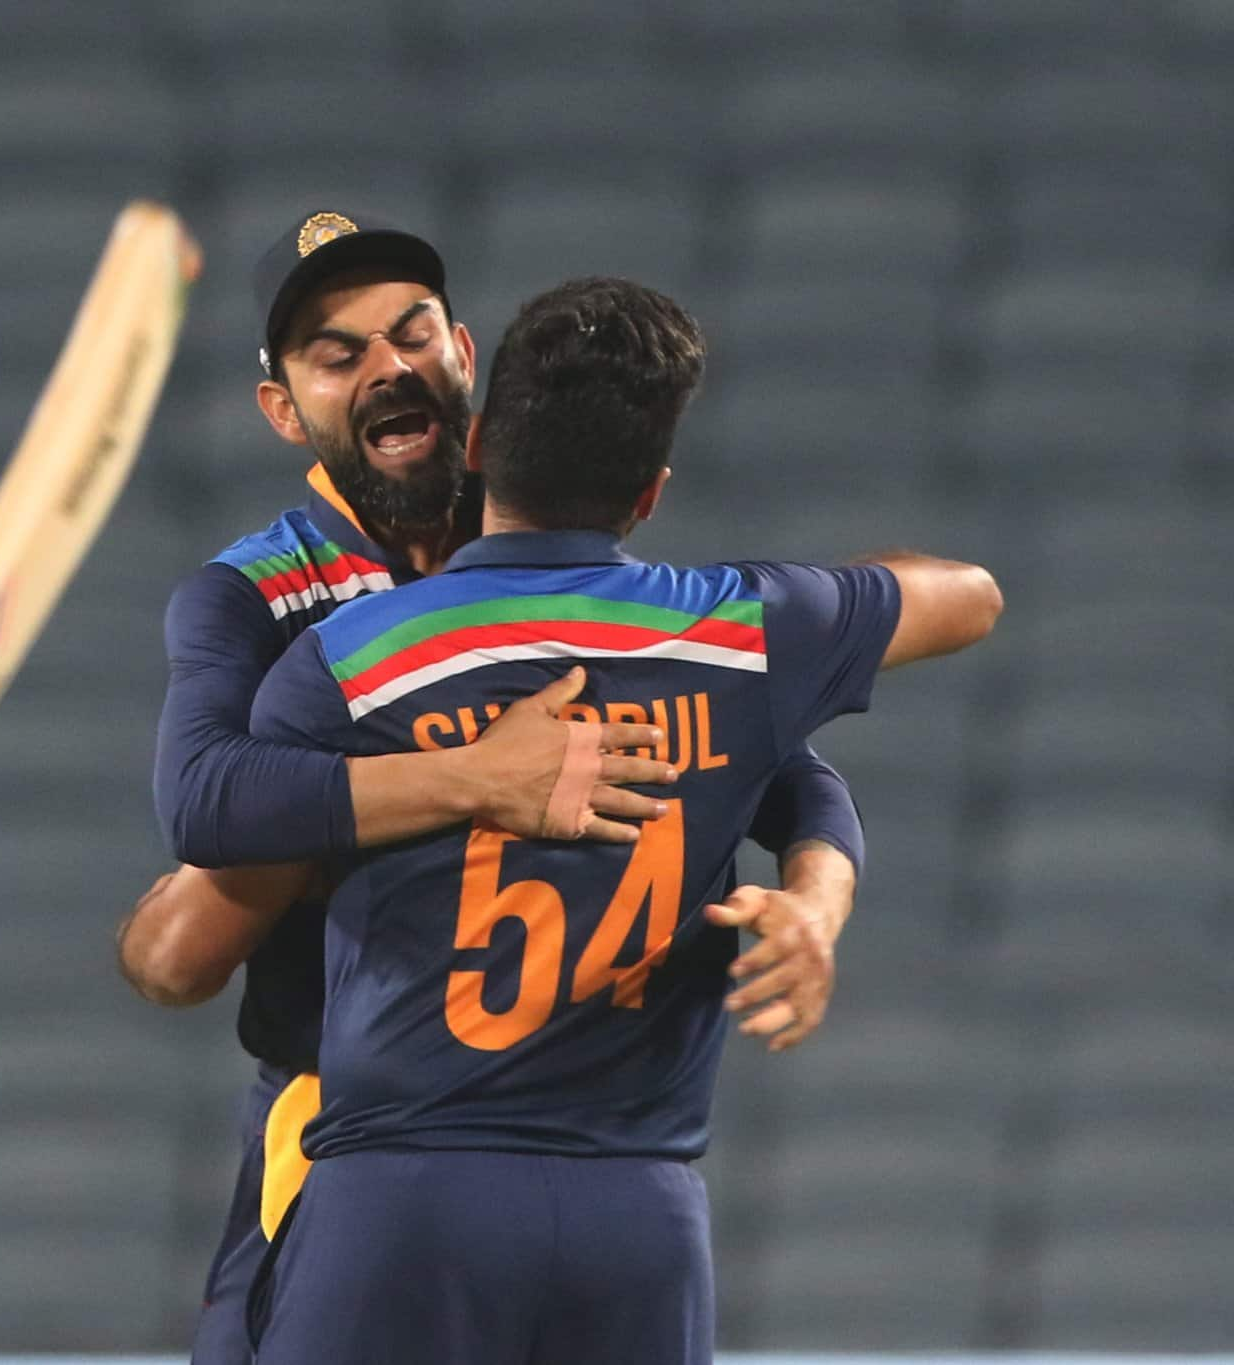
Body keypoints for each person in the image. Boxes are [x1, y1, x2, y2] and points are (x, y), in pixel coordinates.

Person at [115, 216, 870, 1363]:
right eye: (338, 354)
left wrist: (815, 902)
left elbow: (793, 778)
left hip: (583, 1126)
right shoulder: (255, 596)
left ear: (463, 353)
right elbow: (206, 821)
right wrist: (470, 777)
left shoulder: (560, 543)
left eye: (410, 332)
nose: (387, 369)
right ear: (286, 410)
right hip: (351, 1126)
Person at [241, 276, 1002, 1364]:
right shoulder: (741, 633)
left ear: (476, 456)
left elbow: (223, 875)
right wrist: (816, 888)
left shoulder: (347, 659)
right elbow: (967, 596)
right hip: (635, 1219)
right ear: (647, 493)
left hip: (404, 1201)